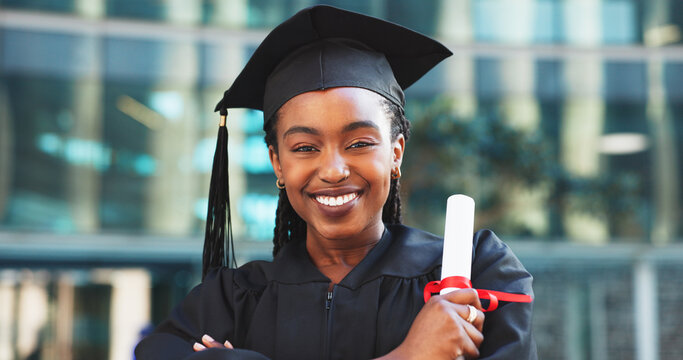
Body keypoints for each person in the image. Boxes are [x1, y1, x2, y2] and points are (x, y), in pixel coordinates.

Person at [135, 5, 536, 360]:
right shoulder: (230, 299)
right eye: (305, 147)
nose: (333, 169)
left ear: (396, 153)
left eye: (359, 142)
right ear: (277, 162)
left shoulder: (474, 275)